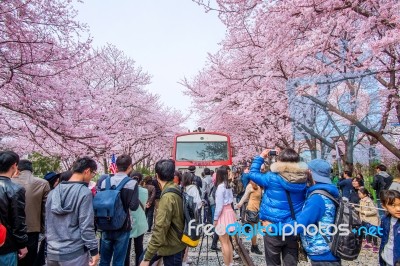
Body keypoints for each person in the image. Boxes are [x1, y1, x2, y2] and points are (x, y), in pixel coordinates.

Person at [246, 148, 307, 265]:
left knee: (272, 262)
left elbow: (252, 174)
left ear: (279, 161)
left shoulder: (271, 177)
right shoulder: (303, 179)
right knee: (291, 262)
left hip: (271, 226)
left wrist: (261, 157)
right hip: (292, 228)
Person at [279, 159, 341, 265]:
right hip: (328, 251)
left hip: (323, 254)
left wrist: (275, 228)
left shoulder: (317, 198)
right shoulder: (329, 193)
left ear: (310, 173)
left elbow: (300, 224)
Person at [45, 157, 99, 266]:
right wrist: (94, 250)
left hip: (52, 252)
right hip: (74, 253)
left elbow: (47, 222)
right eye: (92, 173)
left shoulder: (53, 192)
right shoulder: (84, 193)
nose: (91, 177)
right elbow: (86, 226)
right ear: (87, 171)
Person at [140, 159, 186, 266]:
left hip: (171, 246)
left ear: (157, 176)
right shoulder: (176, 189)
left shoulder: (167, 197)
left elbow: (160, 227)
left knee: (141, 259)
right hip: (176, 242)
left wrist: (147, 257)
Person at [99, 154, 139, 266]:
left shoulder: (104, 182)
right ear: (130, 166)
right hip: (122, 226)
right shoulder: (132, 183)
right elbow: (134, 206)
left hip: (105, 224)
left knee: (104, 260)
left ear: (116, 166)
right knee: (118, 261)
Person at [11, 160, 50, 266]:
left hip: (10, 229)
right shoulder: (43, 183)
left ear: (17, 168)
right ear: (31, 170)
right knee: (30, 260)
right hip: (32, 229)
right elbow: (45, 211)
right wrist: (43, 228)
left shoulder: (8, 182)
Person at [0, 151, 28, 265]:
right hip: (6, 244)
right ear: (14, 166)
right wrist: (22, 244)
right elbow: (18, 220)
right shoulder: (15, 189)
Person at [214, 168, 237, 266]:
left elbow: (219, 206)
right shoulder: (228, 186)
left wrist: (215, 219)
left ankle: (226, 264)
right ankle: (230, 262)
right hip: (230, 212)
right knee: (228, 241)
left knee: (223, 242)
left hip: (223, 214)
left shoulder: (220, 187)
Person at [125, 172, 148, 266]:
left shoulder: (126, 190)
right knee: (139, 248)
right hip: (140, 222)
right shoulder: (145, 191)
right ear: (141, 180)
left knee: (126, 249)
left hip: (128, 222)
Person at [237, 180, 262, 255]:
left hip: (257, 209)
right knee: (254, 229)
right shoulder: (250, 185)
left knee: (255, 228)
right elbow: (245, 196)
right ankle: (254, 246)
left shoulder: (259, 185)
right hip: (252, 209)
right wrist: (239, 204)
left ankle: (254, 246)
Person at [181, 172, 202, 265]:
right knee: (188, 235)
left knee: (183, 236)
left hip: (182, 215)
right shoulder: (193, 188)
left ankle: (185, 257)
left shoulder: (181, 188)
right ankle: (184, 259)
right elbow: (198, 203)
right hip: (190, 216)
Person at [378, 190, 400, 266]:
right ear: (384, 206)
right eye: (393, 205)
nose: (398, 209)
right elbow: (382, 233)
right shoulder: (385, 219)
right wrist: (365, 226)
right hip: (386, 257)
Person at [357, 187, 379, 253]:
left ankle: (375, 245)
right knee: (367, 231)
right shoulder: (361, 200)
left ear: (365, 194)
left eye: (360, 193)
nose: (359, 195)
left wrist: (364, 212)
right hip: (365, 219)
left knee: (373, 232)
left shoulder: (369, 201)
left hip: (372, 220)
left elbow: (374, 211)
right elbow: (361, 209)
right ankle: (369, 243)